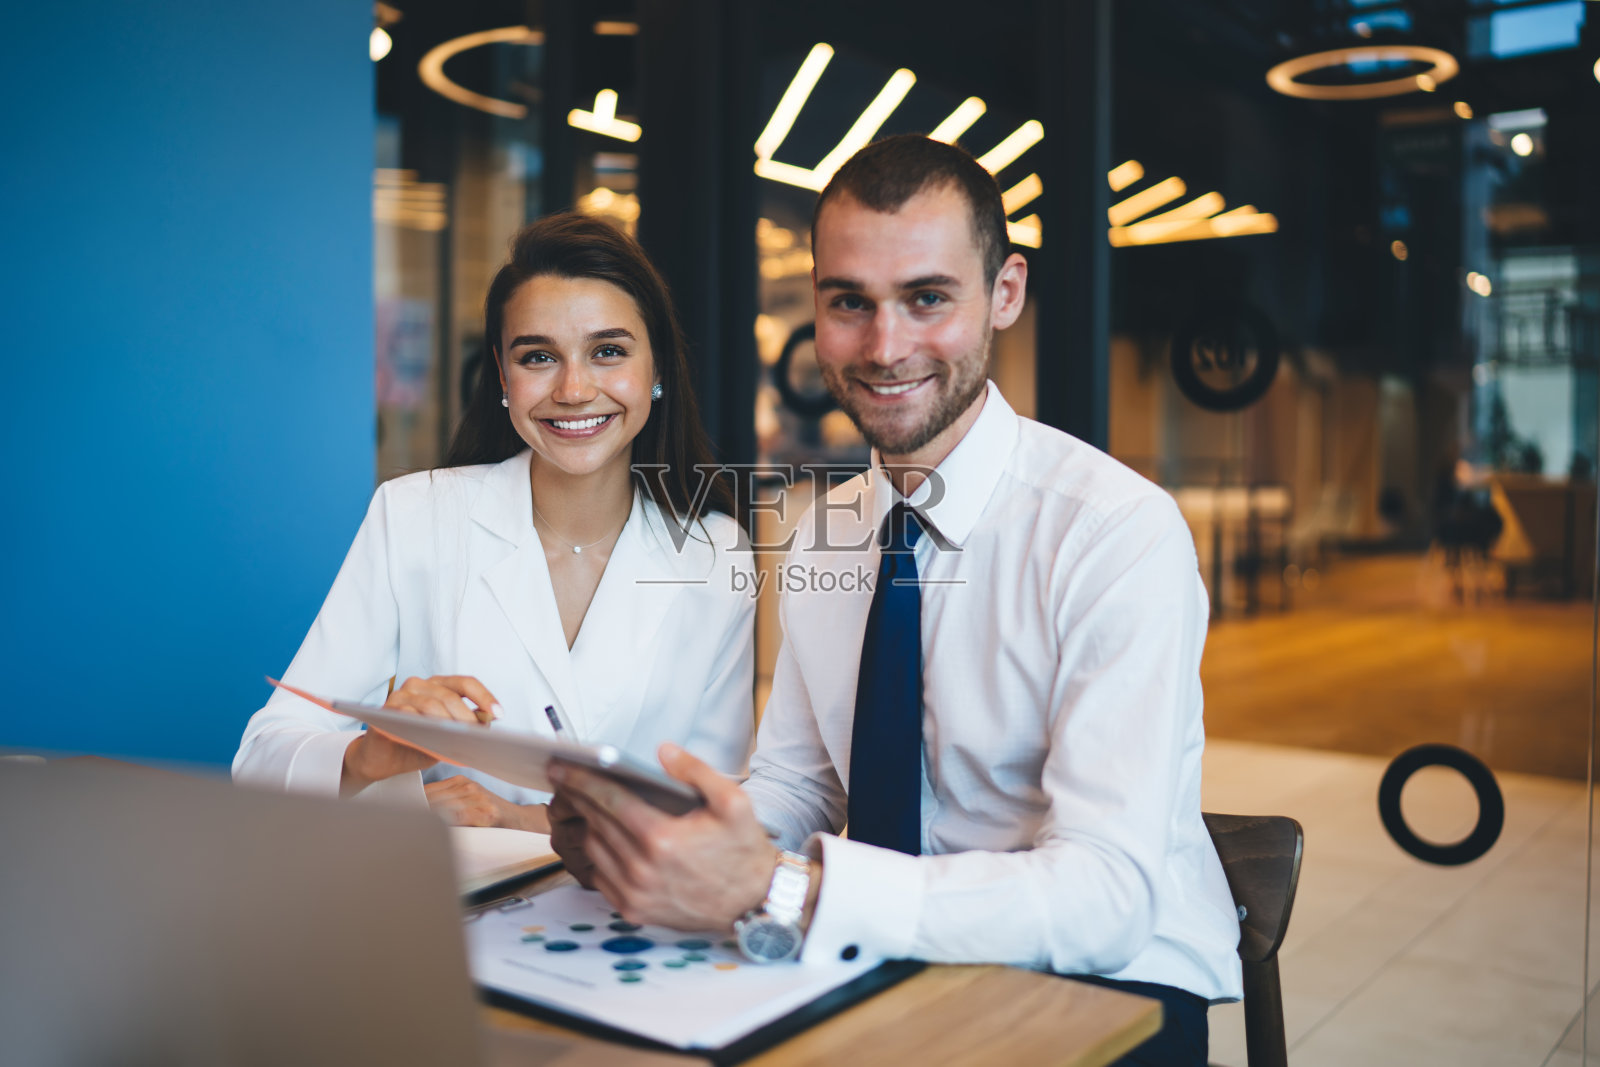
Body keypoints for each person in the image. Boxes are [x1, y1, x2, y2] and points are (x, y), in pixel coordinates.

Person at [548, 136, 1242, 1065]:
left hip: (1110, 979)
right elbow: (800, 782)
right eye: (849, 304)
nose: (884, 347)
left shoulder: (1115, 532)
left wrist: (790, 889)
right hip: (887, 952)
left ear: (1005, 294)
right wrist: (667, 838)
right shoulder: (829, 527)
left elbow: (1107, 898)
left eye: (927, 298)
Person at [234, 213, 755, 832]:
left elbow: (718, 801)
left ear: (658, 368)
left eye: (607, 351)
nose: (574, 388)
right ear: (503, 376)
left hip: (634, 919)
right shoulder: (415, 516)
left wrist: (521, 820)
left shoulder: (714, 550)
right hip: (449, 908)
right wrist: (366, 759)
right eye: (538, 357)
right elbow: (263, 757)